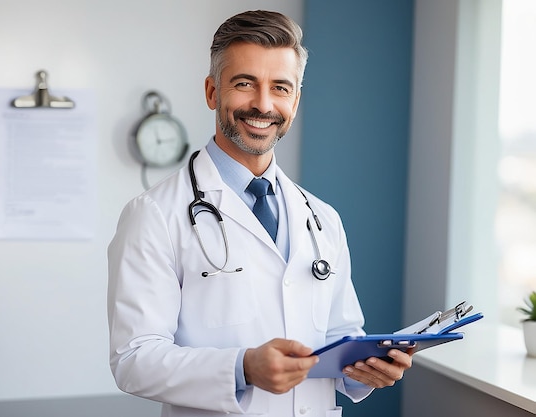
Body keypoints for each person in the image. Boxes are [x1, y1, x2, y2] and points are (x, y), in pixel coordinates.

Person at [107, 10, 412, 417]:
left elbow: (340, 335)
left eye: (280, 87)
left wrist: (365, 371)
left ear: (297, 99)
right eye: (245, 83)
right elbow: (133, 360)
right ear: (213, 92)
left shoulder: (322, 218)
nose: (263, 105)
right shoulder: (154, 215)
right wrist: (242, 367)